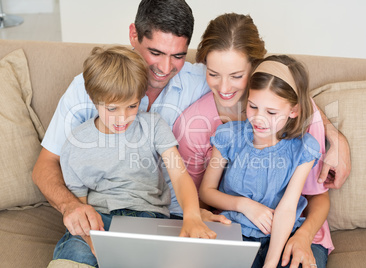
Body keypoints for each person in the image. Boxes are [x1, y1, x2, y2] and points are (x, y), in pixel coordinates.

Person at [32, 0, 228, 246]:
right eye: (155, 53)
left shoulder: (202, 79)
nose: (166, 68)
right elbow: (45, 164)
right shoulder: (91, 85)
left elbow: (257, 92)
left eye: (177, 56)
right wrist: (71, 207)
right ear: (133, 35)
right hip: (104, 213)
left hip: (165, 216)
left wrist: (194, 212)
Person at [173, 13, 333, 267]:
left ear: (256, 67)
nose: (224, 87)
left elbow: (311, 198)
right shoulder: (208, 129)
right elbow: (197, 195)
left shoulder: (297, 125)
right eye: (214, 73)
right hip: (236, 227)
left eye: (236, 76)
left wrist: (302, 236)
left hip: (293, 231)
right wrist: (206, 213)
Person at [52, 46, 216, 266]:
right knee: (74, 256)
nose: (123, 118)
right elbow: (81, 208)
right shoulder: (76, 143)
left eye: (132, 106)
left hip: (148, 218)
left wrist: (192, 216)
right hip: (99, 219)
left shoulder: (153, 125)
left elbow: (178, 175)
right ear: (93, 99)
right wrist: (92, 241)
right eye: (112, 109)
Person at [199, 55, 325, 268]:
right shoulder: (228, 136)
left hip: (282, 236)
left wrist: (270, 263)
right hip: (234, 230)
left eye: (271, 112)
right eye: (253, 106)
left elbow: (287, 209)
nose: (259, 118)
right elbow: (206, 192)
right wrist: (244, 205)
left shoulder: (303, 149)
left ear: (293, 111)